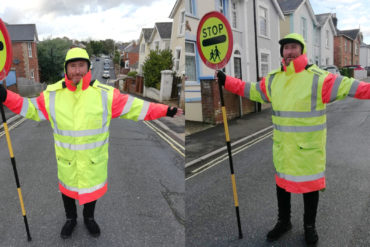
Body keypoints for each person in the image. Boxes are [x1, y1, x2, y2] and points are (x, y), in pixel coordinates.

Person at [0, 47, 182, 239]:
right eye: (73, 66)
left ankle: (89, 218)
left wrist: (165, 110)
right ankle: (71, 219)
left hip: (94, 161)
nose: (77, 70)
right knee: (68, 192)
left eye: (81, 65)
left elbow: (137, 106)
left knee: (92, 192)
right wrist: (5, 96)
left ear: (88, 67)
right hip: (67, 161)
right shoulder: (52, 95)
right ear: (66, 69)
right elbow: (29, 108)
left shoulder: (105, 95)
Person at [216, 33, 370, 245]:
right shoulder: (274, 79)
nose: (289, 52)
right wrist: (227, 81)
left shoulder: (318, 78)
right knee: (282, 187)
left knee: (310, 189)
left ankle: (309, 227)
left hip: (308, 151)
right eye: (286, 48)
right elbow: (250, 89)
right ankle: (284, 222)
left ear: (301, 50)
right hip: (283, 150)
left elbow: (353, 87)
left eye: (293, 47)